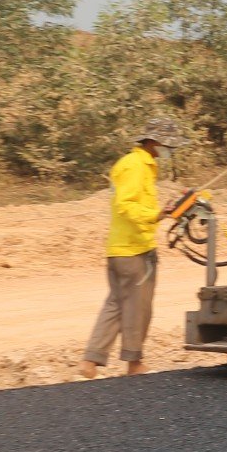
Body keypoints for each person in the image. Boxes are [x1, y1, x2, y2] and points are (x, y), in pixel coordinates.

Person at [79, 116, 183, 378]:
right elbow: (126, 206)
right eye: (168, 145)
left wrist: (160, 211)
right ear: (153, 141)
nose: (170, 151)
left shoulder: (143, 165)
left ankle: (91, 361)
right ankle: (134, 363)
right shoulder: (134, 166)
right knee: (138, 307)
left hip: (122, 248)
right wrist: (157, 215)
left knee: (116, 304)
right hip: (133, 250)